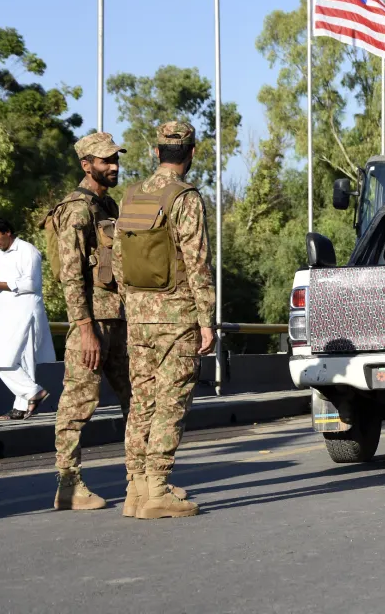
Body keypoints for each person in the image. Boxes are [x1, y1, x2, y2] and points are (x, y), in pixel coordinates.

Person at [113, 122, 215, 520]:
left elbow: (118, 261)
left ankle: (135, 489)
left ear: (156, 152)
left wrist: (133, 305)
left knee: (141, 402)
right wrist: (206, 319)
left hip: (138, 318)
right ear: (192, 153)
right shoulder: (185, 198)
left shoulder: (131, 195)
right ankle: (158, 489)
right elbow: (198, 262)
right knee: (171, 403)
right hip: (177, 317)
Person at [46, 133, 130, 510]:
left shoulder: (107, 204)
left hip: (118, 319)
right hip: (92, 324)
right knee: (78, 404)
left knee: (139, 399)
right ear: (86, 165)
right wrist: (85, 330)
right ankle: (68, 485)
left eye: (115, 159)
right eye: (105, 160)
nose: (114, 165)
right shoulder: (77, 209)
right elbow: (71, 275)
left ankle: (144, 479)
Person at [0, 217, 54, 420]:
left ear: (7, 232)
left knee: (24, 360)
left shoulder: (28, 251)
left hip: (25, 313)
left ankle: (22, 407)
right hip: (1, 315)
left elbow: (31, 284)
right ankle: (33, 393)